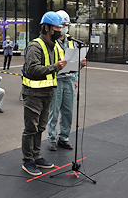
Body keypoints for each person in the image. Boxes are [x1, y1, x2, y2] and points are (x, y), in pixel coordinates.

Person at [21, 11, 67, 176]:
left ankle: (37, 155)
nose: (59, 30)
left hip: (47, 92)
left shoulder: (53, 46)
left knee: (40, 127)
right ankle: (28, 161)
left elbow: (58, 67)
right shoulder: (35, 46)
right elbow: (32, 69)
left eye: (60, 27)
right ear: (46, 28)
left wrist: (77, 65)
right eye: (56, 27)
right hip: (33, 94)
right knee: (30, 128)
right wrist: (55, 67)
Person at [47, 10, 86, 151]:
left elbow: (74, 60)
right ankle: (52, 137)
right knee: (54, 111)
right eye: (63, 24)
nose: (65, 27)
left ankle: (64, 137)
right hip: (56, 80)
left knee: (68, 111)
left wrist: (78, 70)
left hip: (69, 79)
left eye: (67, 24)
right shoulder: (51, 42)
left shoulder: (71, 41)